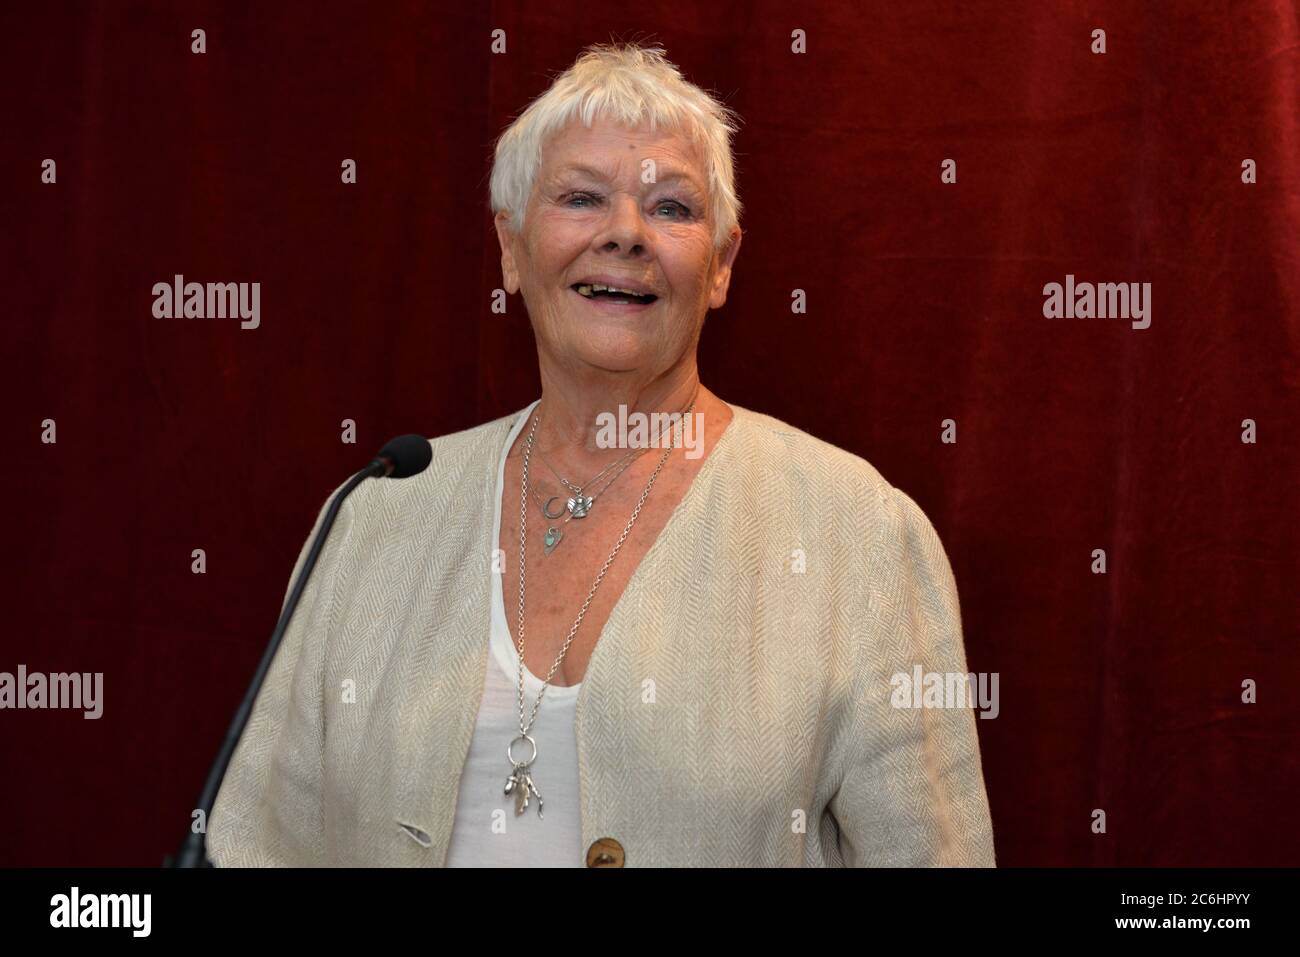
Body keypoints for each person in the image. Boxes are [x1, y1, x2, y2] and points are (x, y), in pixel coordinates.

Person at [208, 41, 996, 867]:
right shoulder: (374, 514)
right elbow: (257, 844)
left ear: (722, 265)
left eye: (672, 208)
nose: (625, 234)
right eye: (582, 197)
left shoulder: (856, 530)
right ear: (510, 249)